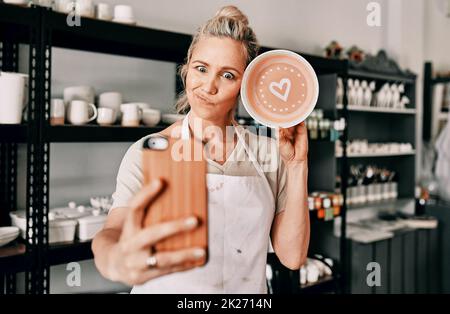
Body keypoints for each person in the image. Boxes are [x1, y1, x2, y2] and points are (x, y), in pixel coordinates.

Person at [92, 5, 310, 294]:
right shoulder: (151, 150)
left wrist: (298, 166)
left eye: (228, 75)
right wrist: (114, 258)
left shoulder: (271, 154)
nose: (208, 85)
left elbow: (292, 257)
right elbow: (113, 232)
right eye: (201, 69)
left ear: (246, 85)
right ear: (186, 69)